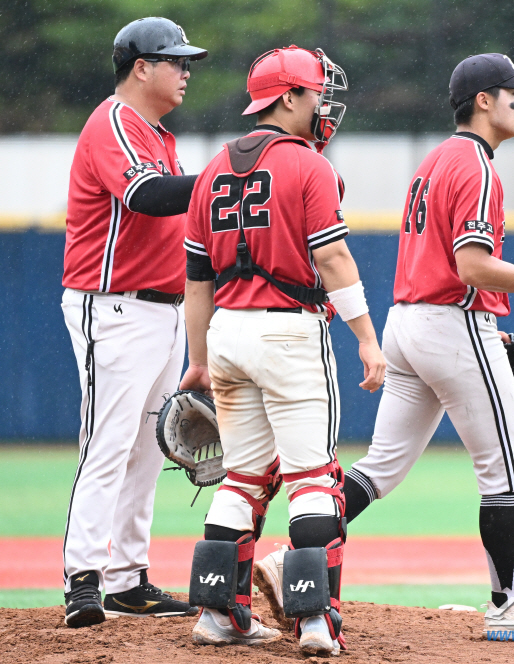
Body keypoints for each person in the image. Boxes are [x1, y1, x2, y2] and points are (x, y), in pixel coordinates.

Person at [255, 53, 514, 634]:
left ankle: (293, 562)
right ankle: (507, 608)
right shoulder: (478, 166)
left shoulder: (436, 160)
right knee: (502, 473)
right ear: (483, 101)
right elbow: (472, 268)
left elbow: (448, 267)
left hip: (409, 324)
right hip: (451, 323)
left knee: (378, 469)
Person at [179, 45, 386, 655]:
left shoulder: (212, 168)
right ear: (289, 97)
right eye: (317, 91)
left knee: (242, 476)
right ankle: (316, 622)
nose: (323, 103)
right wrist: (368, 339)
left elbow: (197, 283)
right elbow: (332, 256)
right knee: (313, 476)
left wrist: (197, 360)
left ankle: (218, 614)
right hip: (289, 332)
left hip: (227, 335)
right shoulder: (308, 165)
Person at [61, 17, 207, 628]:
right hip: (113, 305)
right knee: (109, 442)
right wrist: (227, 179)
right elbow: (145, 195)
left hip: (162, 308)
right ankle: (83, 578)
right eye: (174, 61)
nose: (186, 72)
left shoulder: (158, 133)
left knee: (148, 446)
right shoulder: (114, 122)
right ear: (140, 67)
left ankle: (127, 580)